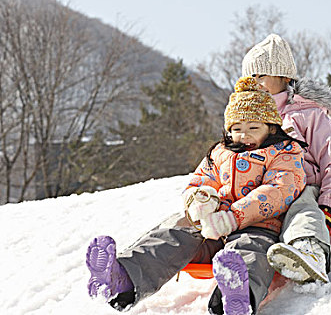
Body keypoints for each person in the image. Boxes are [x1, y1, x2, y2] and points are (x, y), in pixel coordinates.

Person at [85, 76, 307, 315]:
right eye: (237, 129)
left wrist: (234, 217)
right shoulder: (219, 153)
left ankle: (234, 298)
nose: (244, 136)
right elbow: (199, 182)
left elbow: (279, 189)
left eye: (254, 128)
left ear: (271, 127)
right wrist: (198, 202)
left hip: (259, 225)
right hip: (212, 228)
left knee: (249, 252)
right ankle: (122, 279)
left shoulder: (284, 152)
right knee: (175, 232)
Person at [241, 34, 331, 283]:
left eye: (261, 75)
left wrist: (329, 204)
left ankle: (309, 251)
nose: (255, 83)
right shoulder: (246, 119)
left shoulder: (305, 114)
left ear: (283, 76)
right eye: (250, 77)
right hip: (265, 191)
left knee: (303, 208)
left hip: (302, 187)